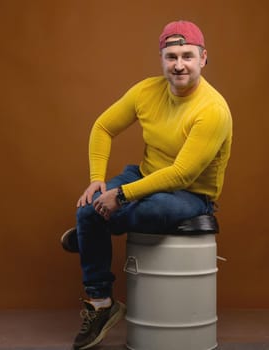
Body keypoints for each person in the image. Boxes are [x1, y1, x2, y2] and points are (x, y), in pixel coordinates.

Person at [62, 20, 233, 350]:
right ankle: (101, 304)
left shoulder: (213, 110)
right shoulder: (146, 91)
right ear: (161, 59)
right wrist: (98, 179)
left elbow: (182, 174)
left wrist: (121, 194)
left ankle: (91, 237)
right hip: (145, 175)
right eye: (171, 56)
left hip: (191, 194)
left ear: (203, 58)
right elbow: (102, 127)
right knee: (87, 208)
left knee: (139, 211)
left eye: (187, 55)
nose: (179, 64)